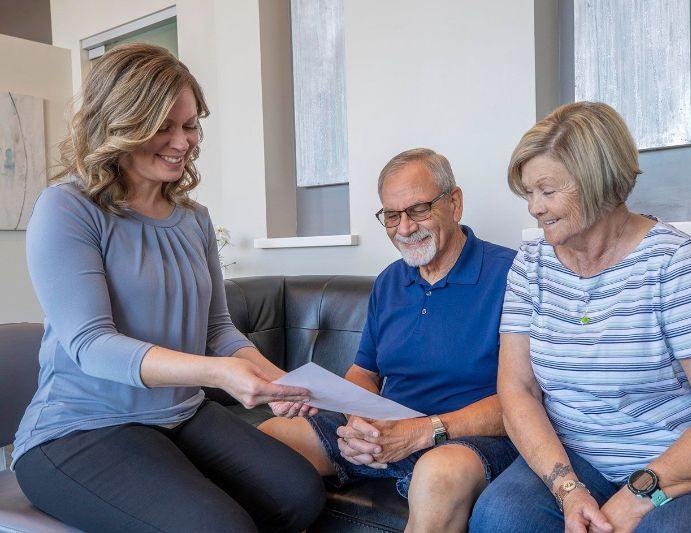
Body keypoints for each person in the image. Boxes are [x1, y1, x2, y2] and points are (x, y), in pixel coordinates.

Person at [12, 43, 325, 533]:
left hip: (179, 412)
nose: (183, 141)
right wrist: (221, 375)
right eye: (163, 126)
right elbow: (92, 346)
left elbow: (219, 330)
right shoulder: (67, 209)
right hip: (79, 427)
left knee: (301, 494)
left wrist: (278, 383)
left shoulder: (194, 220)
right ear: (120, 124)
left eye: (190, 124)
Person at [468, 101, 691, 532]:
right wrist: (568, 489)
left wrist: (637, 498)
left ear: (597, 181)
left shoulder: (675, 262)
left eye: (547, 190)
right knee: (499, 517)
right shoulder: (531, 266)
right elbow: (517, 389)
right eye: (528, 193)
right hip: (579, 460)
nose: (534, 208)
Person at [259, 148, 518, 532]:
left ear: (455, 203)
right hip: (389, 430)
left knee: (436, 474)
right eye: (392, 216)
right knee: (268, 442)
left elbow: (524, 397)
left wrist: (423, 431)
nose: (405, 228)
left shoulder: (513, 275)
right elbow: (363, 372)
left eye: (418, 210)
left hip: (468, 439)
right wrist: (359, 421)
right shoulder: (390, 281)